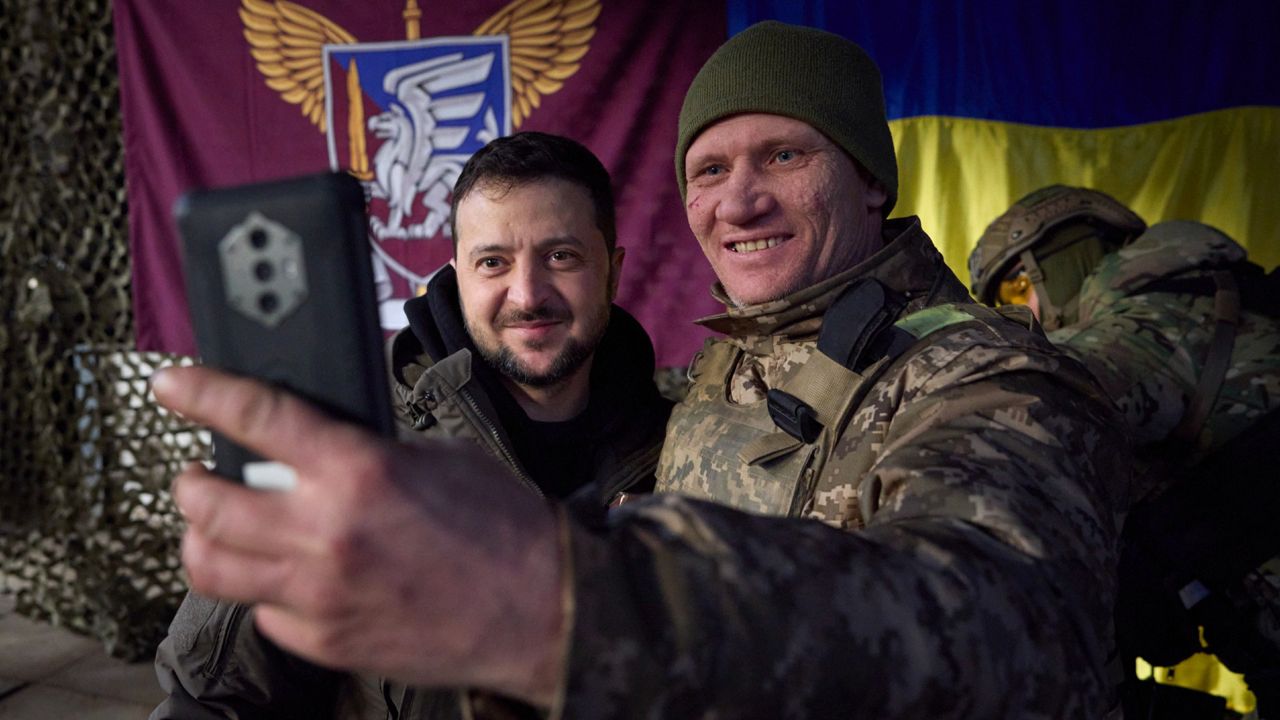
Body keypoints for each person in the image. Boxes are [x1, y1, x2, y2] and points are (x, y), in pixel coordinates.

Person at [153, 22, 1126, 718]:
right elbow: (210, 690)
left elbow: (1017, 635)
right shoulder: (374, 450)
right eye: (708, 170)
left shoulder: (980, 372)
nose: (739, 201)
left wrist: (555, 600)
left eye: (783, 155)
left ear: (870, 177)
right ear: (452, 274)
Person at [150, 132, 672, 719]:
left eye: (561, 256)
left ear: (613, 269)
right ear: (457, 276)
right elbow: (212, 700)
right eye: (493, 262)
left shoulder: (681, 451)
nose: (526, 294)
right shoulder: (358, 453)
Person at [969, 185, 1280, 717]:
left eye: (1021, 288)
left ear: (1063, 258)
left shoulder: (1158, 315)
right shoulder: (1214, 294)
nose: (1028, 314)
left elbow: (1035, 397)